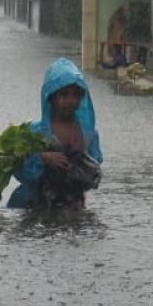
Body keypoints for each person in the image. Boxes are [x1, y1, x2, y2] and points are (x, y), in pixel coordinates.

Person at [7, 58, 103, 210]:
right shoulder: (35, 132)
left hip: (72, 206)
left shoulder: (89, 134)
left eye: (75, 95)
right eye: (64, 95)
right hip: (34, 205)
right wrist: (43, 158)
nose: (70, 101)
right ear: (50, 98)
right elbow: (18, 169)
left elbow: (94, 172)